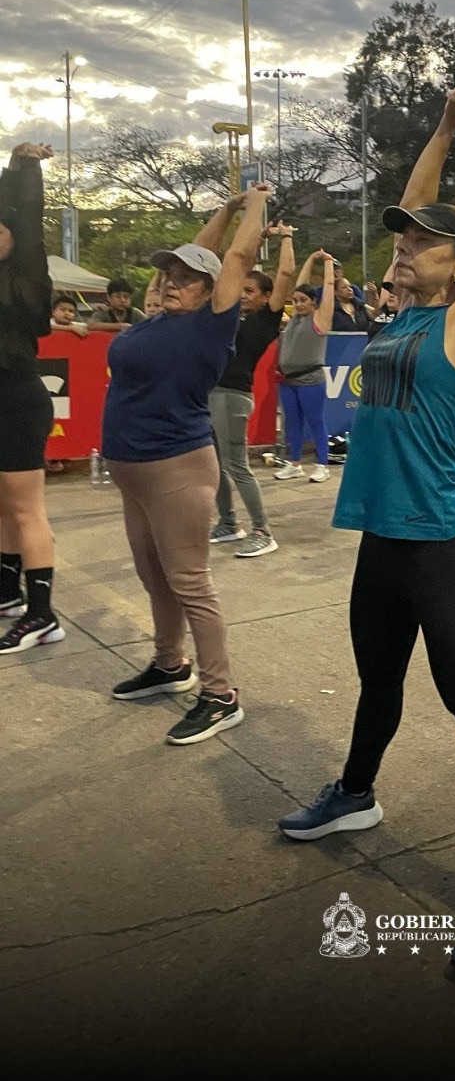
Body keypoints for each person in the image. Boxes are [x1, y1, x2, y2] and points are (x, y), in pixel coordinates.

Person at [279, 79, 455, 980]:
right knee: (375, 687)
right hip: (380, 544)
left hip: (437, 547)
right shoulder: (398, 315)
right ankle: (355, 794)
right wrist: (442, 126)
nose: (405, 248)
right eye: (406, 237)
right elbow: (412, 208)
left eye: (428, 241)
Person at [105, 186, 269, 742]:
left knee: (190, 583)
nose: (172, 281)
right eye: (167, 274)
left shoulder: (211, 324)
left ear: (211, 291)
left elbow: (236, 260)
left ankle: (220, 694)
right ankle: (170, 664)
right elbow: (197, 254)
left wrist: (254, 208)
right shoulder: (158, 318)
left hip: (177, 469)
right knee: (155, 579)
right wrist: (222, 210)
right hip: (133, 472)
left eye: (185, 278)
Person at [0, 142, 64, 653]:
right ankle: (6, 593)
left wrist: (24, 167)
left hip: (17, 396)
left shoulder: (26, 276)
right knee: (3, 506)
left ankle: (42, 614)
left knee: (25, 509)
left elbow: (28, 217)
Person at [209, 220, 297, 555]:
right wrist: (257, 237)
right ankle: (228, 522)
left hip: (232, 396)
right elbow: (237, 261)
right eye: (241, 290)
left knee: (236, 465)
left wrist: (285, 237)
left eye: (250, 292)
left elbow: (286, 275)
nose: (242, 295)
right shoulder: (226, 313)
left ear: (264, 298)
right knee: (214, 463)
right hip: (210, 393)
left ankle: (263, 530)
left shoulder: (266, 319)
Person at [274, 250, 334, 483]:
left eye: (303, 301)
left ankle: (322, 465)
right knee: (292, 423)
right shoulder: (296, 318)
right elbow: (302, 284)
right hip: (288, 381)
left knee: (316, 422)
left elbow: (328, 290)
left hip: (310, 380)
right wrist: (309, 258)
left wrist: (327, 262)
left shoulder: (320, 319)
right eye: (296, 300)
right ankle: (294, 463)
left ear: (314, 303)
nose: (298, 304)